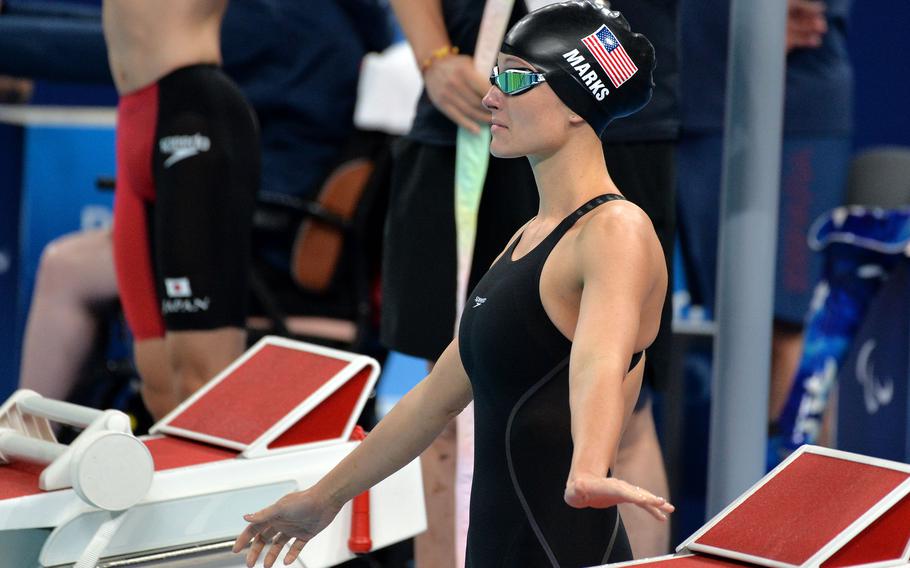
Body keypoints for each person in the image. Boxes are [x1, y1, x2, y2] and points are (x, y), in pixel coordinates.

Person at [234, 3, 674, 567]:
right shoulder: (526, 239)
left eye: (515, 78)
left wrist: (588, 462)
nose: (491, 97)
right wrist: (324, 500)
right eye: (495, 76)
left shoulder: (616, 230)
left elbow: (600, 363)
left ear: (576, 103)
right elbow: (432, 402)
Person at [675, 0, 852, 445]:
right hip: (695, 97)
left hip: (793, 104)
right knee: (735, 325)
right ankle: (751, 501)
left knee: (790, 328)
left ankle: (800, 502)